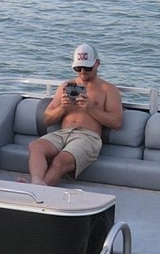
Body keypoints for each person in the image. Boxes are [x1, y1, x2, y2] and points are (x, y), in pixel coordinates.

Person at [28, 42, 122, 186]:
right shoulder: (66, 86)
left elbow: (116, 122)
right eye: (78, 68)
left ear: (97, 64)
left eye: (87, 68)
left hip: (88, 137)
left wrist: (91, 108)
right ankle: (36, 183)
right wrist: (63, 108)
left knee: (60, 160)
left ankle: (36, 190)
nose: (83, 72)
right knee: (36, 147)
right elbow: (46, 119)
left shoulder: (108, 89)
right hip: (63, 133)